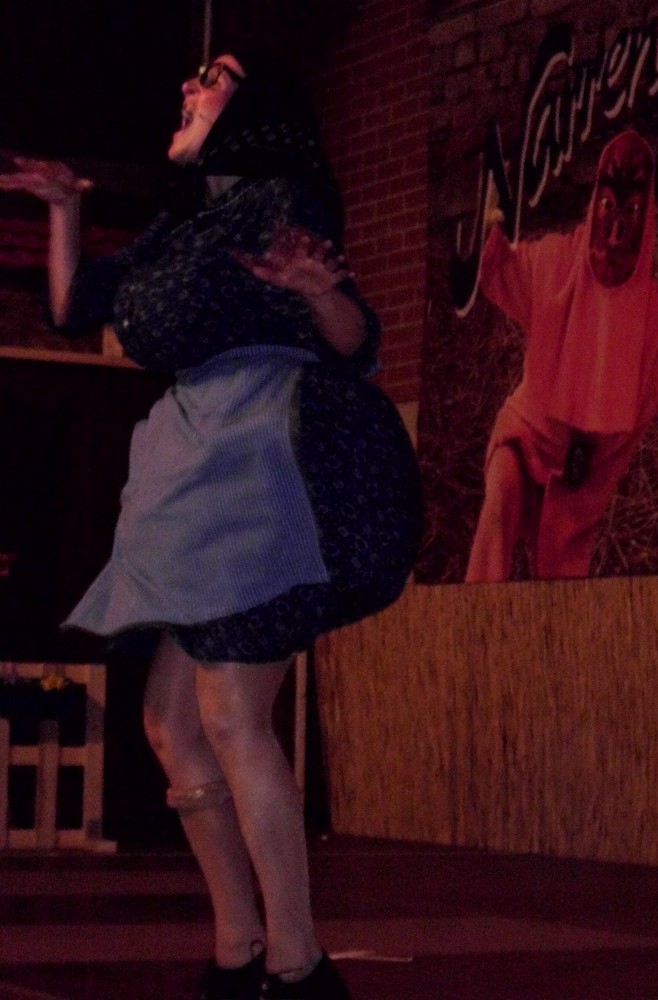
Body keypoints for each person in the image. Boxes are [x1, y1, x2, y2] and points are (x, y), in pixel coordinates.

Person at [0, 46, 422, 1000]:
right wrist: (64, 209)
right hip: (191, 455)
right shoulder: (181, 223)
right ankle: (239, 951)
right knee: (169, 722)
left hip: (259, 450)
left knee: (231, 713)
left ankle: (298, 965)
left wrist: (319, 292)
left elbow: (355, 339)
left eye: (216, 77)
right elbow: (73, 308)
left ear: (257, 110)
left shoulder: (286, 200)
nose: (190, 87)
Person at [465, 129, 658, 582]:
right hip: (525, 440)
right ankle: (473, 618)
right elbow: (504, 272)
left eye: (631, 212)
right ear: (594, 204)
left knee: (560, 588)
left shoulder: (654, 321)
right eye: (608, 207)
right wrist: (487, 233)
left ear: (646, 219)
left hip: (578, 488)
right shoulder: (553, 263)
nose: (616, 232)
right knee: (498, 506)